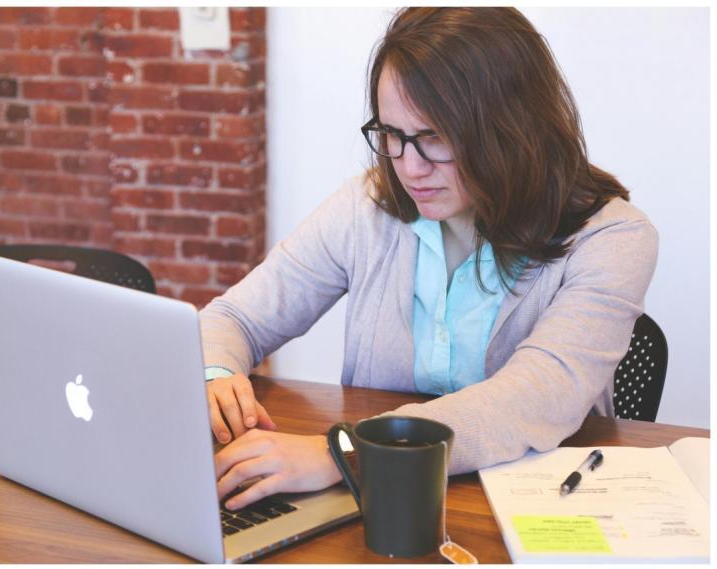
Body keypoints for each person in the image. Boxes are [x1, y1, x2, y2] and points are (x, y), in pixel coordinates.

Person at [200, 7, 658, 511]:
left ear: (512, 127)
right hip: (378, 504)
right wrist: (216, 373)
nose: (408, 167)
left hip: (535, 509)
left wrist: (341, 453)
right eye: (392, 135)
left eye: (434, 137)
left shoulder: (614, 237)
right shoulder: (366, 207)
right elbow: (235, 316)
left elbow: (534, 397)